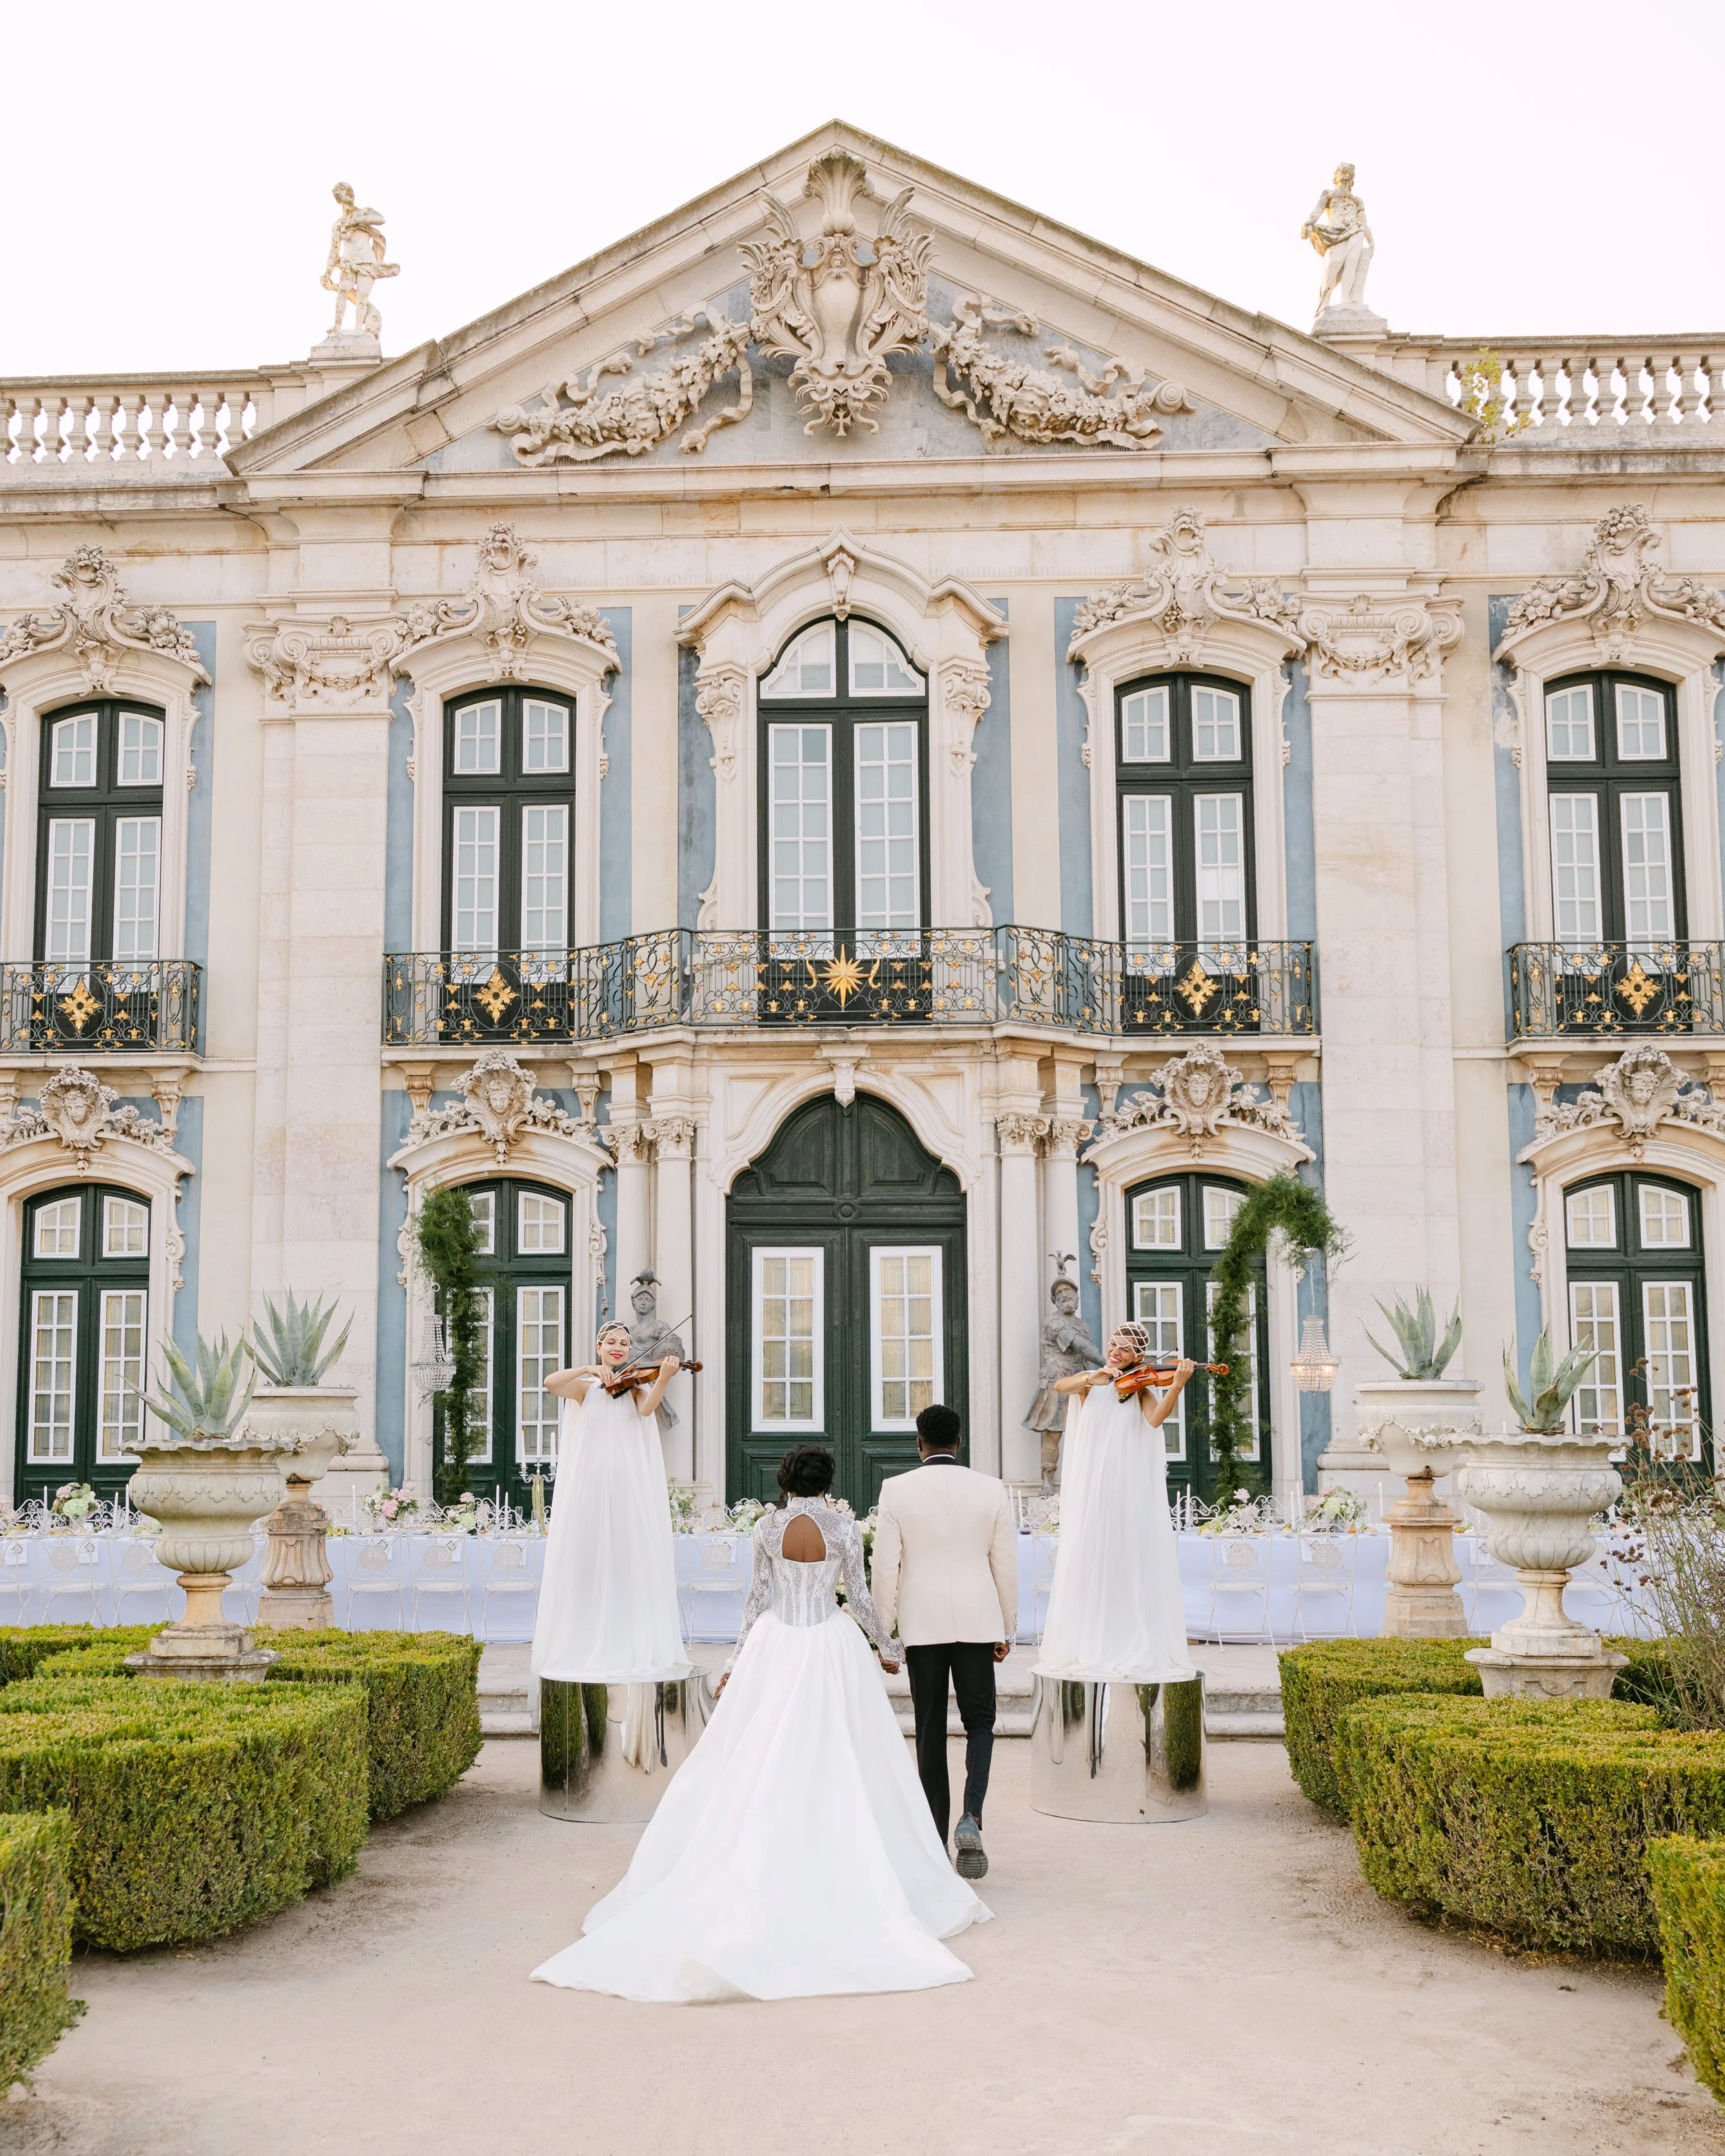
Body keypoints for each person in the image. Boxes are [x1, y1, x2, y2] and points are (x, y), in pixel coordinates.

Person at [531, 1443, 988, 2003]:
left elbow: (755, 1601)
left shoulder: (767, 1529)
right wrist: (887, 1645)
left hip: (777, 1645)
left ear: (787, 1478)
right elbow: (862, 1600)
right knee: (846, 1755)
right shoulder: (844, 1529)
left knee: (760, 1754)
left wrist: (735, 1662)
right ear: (828, 1481)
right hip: (829, 1644)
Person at [871, 1404, 1017, 1881]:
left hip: (923, 1624)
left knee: (930, 1727)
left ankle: (934, 1840)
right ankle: (971, 1816)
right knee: (980, 1722)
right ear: (960, 1442)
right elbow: (1005, 1564)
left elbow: (886, 1567)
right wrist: (1007, 1625)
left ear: (919, 1443)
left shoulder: (897, 1489)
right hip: (978, 1620)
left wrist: (885, 1635)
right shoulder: (991, 1488)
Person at [1034, 1325, 1197, 1683]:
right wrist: (1096, 1374)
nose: (1116, 1352)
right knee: (1090, 1555)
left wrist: (1176, 1386)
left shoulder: (1141, 1388)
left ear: (1138, 1357)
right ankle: (1088, 1637)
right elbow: (1062, 1387)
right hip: (1092, 1488)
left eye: (1125, 1349)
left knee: (1125, 1557)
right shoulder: (1091, 1382)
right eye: (1113, 1344)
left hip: (1126, 1488)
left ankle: (1126, 1638)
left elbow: (1156, 1421)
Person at [529, 1322, 687, 1685]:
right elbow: (551, 1383)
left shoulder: (634, 1386)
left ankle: (626, 1640)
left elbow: (648, 1410)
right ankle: (585, 1640)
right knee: (589, 1561)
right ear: (599, 1346)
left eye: (624, 1344)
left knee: (626, 1561)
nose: (618, 1348)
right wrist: (587, 1369)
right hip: (591, 1489)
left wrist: (663, 1377)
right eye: (611, 1342)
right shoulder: (585, 1388)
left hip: (627, 1488)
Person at [1024, 1265, 1101, 1492]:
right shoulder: (1052, 1322)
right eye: (1059, 1293)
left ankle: (1081, 1480)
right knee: (1054, 1430)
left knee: (1086, 1429)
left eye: (1068, 1290)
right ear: (1054, 1300)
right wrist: (1107, 1364)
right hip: (1058, 1376)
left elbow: (1083, 1348)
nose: (1064, 1294)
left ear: (1077, 1295)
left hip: (1083, 1377)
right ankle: (1047, 1480)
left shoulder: (1083, 1325)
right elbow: (1079, 1345)